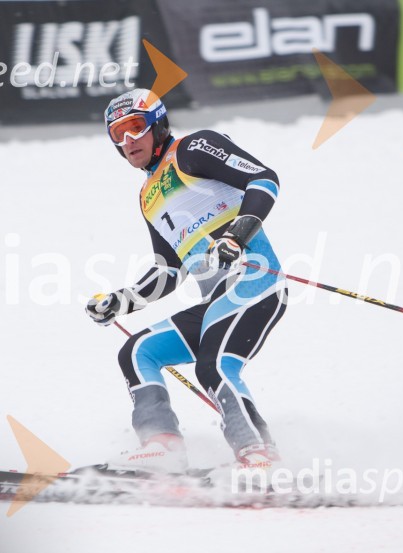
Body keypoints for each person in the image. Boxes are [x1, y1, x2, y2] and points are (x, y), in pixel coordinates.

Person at [85, 88, 287, 474]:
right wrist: (121, 301)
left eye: (135, 128)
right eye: (117, 134)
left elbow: (264, 180)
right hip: (218, 301)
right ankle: (163, 447)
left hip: (254, 282)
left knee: (213, 367)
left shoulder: (193, 148)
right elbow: (169, 269)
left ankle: (259, 457)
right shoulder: (147, 195)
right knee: (139, 351)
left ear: (158, 124)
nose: (128, 142)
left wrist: (235, 236)